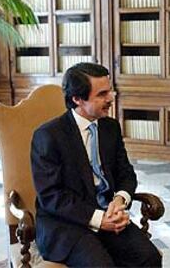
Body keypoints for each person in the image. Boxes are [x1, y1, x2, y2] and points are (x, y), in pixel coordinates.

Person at [31, 62, 162, 267]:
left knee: (149, 257)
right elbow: (51, 196)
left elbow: (126, 174)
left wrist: (119, 200)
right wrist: (99, 219)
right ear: (77, 99)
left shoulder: (110, 127)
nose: (111, 98)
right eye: (102, 94)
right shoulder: (48, 136)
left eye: (109, 90)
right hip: (66, 224)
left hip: (109, 215)